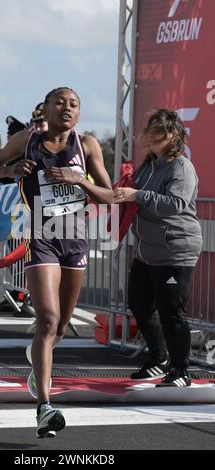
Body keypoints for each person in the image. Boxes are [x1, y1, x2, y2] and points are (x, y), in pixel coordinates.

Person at [0, 87, 113, 437]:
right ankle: (45, 405)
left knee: (62, 325)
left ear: (79, 114)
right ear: (47, 108)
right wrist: (10, 171)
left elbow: (110, 195)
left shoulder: (87, 146)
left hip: (75, 239)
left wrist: (78, 179)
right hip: (41, 237)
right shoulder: (26, 141)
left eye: (73, 104)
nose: (67, 108)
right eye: (60, 103)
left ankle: (39, 364)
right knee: (48, 318)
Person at [113, 109, 203, 387]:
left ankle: (181, 370)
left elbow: (175, 205)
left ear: (173, 135)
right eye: (149, 129)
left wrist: (137, 194)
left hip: (175, 249)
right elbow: (130, 196)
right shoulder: (148, 166)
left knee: (171, 311)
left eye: (157, 131)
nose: (149, 135)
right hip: (147, 250)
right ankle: (159, 358)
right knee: (139, 303)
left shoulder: (181, 167)